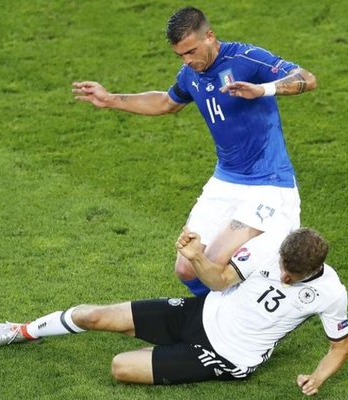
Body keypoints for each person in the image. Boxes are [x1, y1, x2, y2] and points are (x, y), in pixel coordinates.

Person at [71, 6, 317, 296]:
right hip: (226, 179)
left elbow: (306, 78)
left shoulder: (245, 58)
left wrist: (263, 90)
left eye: (191, 51)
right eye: (180, 55)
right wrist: (111, 99)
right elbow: (166, 103)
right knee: (187, 267)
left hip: (267, 183)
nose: (187, 61)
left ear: (209, 36)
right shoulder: (190, 74)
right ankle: (213, 314)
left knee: (210, 263)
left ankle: (244, 317)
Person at [0, 226, 348, 396]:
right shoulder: (270, 247)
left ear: (314, 269)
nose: (284, 277)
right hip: (198, 313)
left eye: (292, 277)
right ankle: (23, 331)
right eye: (283, 267)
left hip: (227, 356)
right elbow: (220, 281)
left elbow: (339, 347)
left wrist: (317, 377)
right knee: (92, 316)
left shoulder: (330, 293)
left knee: (121, 366)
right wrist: (196, 257)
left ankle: (170, 355)